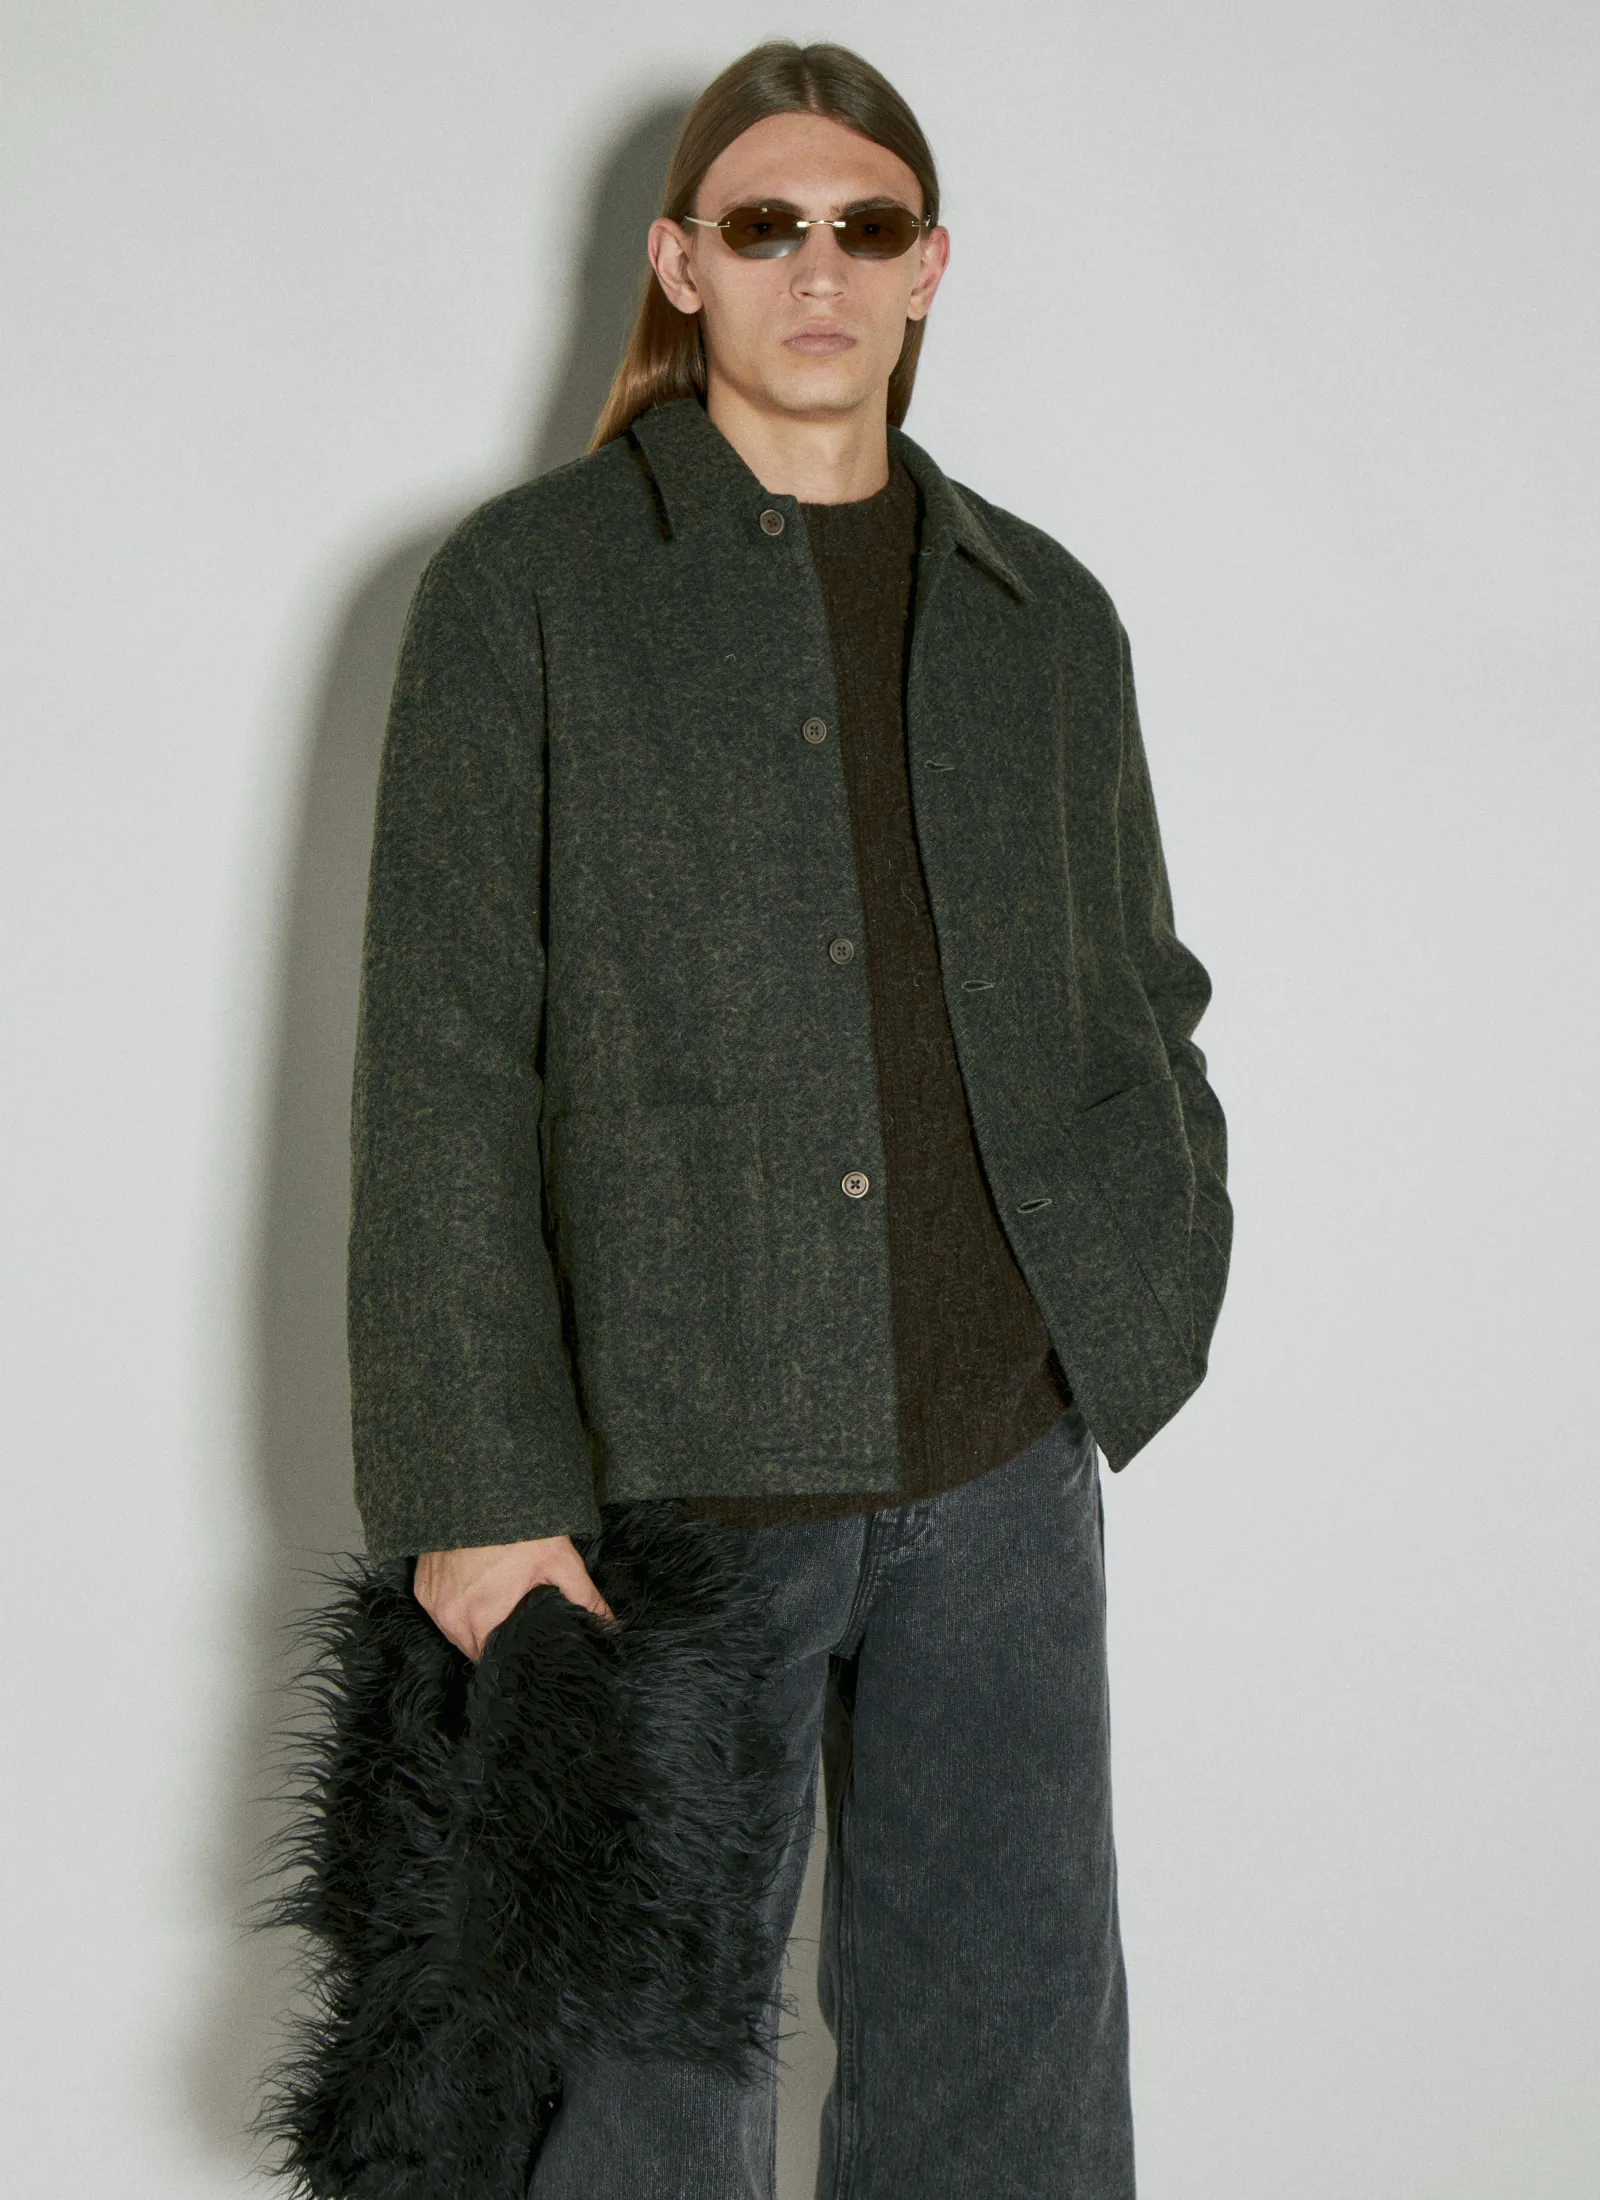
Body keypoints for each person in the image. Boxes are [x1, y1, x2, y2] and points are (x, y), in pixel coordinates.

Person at [346, 36, 1231, 2200]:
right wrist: (479, 1490)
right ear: (682, 264)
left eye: (863, 226)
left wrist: (1144, 1277)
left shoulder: (1044, 615)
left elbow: (1141, 982)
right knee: (639, 2103)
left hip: (1003, 1456)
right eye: (766, 226)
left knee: (1013, 2067)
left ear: (930, 265)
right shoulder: (530, 589)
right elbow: (444, 1058)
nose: (816, 270)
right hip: (671, 1472)